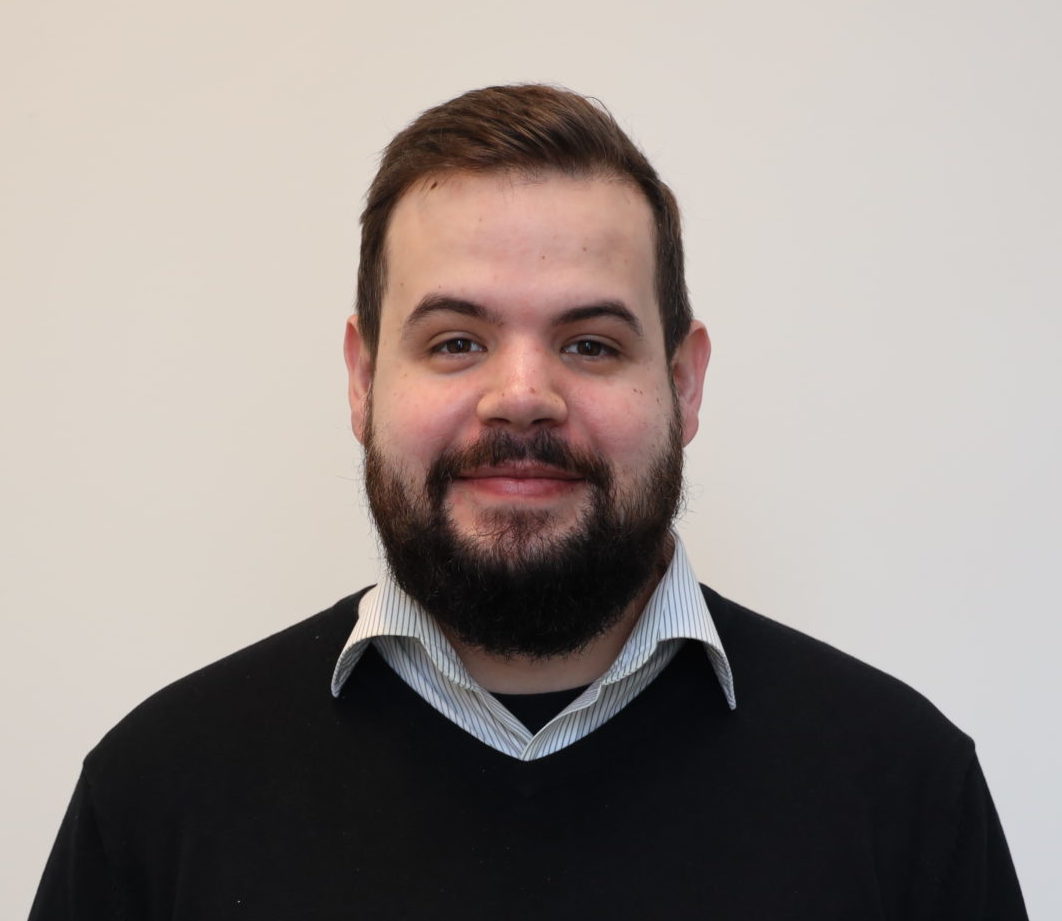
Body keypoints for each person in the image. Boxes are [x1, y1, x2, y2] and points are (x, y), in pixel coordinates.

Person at [30, 84, 1027, 920]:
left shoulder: (904, 792)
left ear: (683, 386)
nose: (521, 396)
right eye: (456, 341)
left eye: (591, 343)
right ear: (363, 380)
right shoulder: (157, 796)